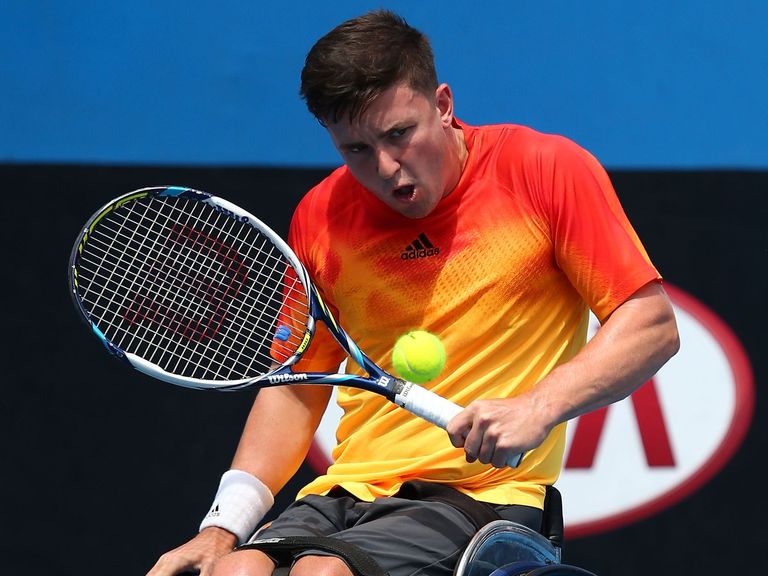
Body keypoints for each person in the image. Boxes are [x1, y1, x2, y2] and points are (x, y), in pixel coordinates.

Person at [148, 9, 679, 576]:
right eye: (355, 149)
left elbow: (652, 326)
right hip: (350, 490)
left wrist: (538, 407)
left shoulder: (541, 170)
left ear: (443, 105)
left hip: (486, 497)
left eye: (399, 134)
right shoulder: (322, 217)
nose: (384, 167)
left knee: (320, 575)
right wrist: (222, 527)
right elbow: (295, 388)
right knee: (234, 572)